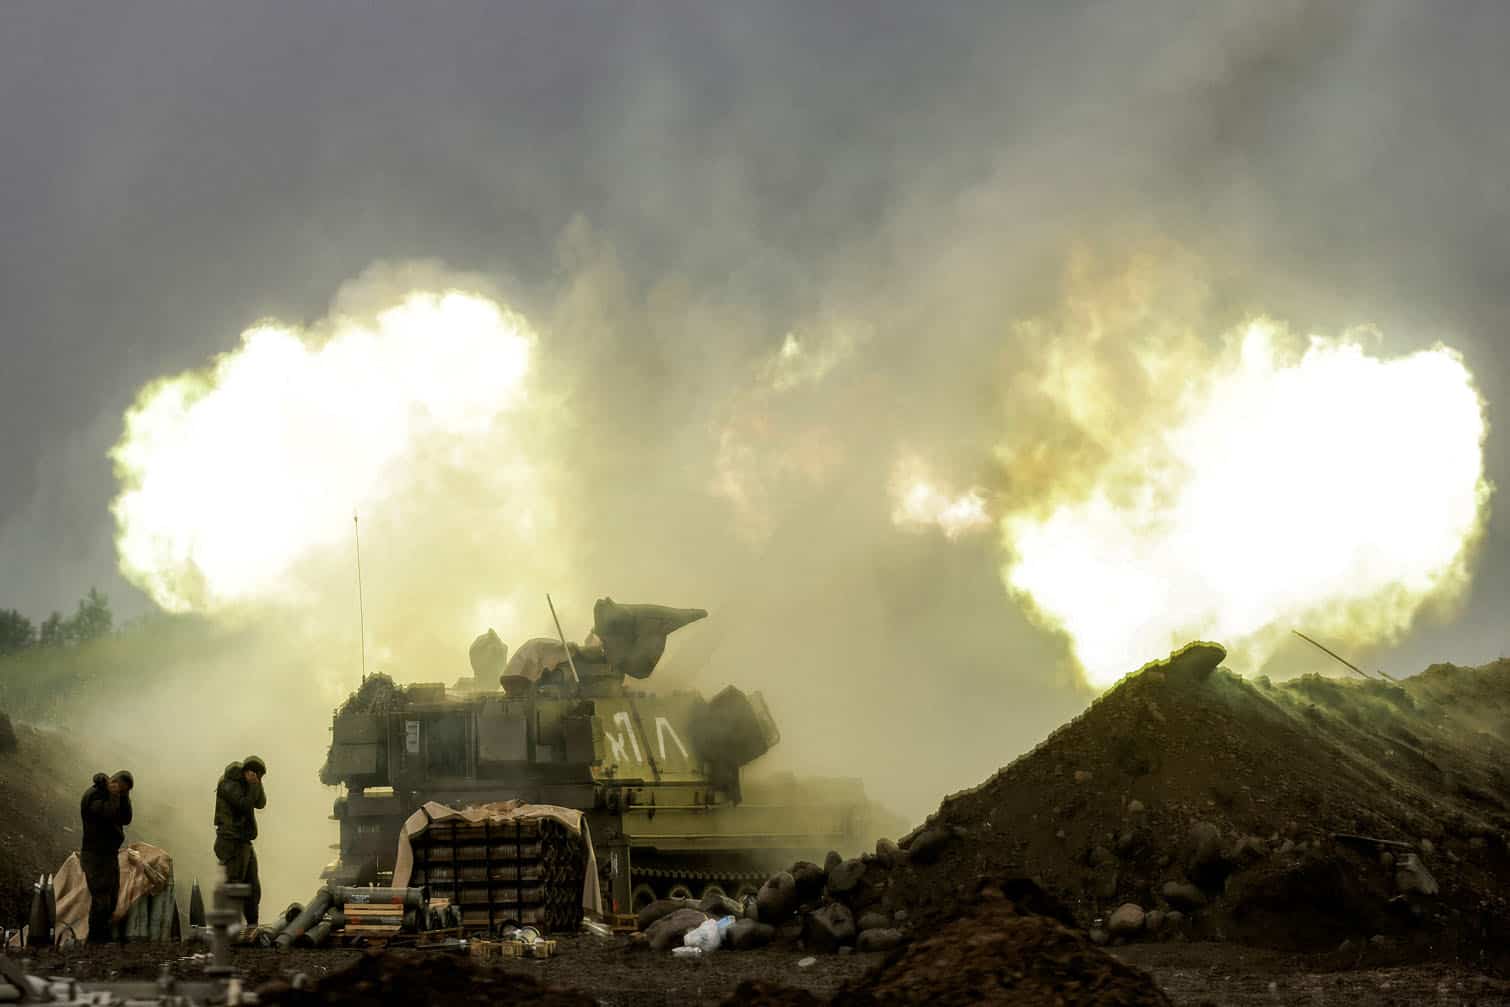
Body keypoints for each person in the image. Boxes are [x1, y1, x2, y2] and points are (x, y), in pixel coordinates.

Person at [79, 769, 133, 944]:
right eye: (122, 789)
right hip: (95, 854)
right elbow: (107, 814)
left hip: (109, 854)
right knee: (101, 899)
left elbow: (126, 818)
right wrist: (114, 796)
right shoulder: (94, 796)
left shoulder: (114, 796)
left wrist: (123, 797)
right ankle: (95, 942)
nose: (122, 793)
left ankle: (101, 939)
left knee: (111, 898)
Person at [214, 755, 266, 926]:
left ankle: (251, 926)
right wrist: (253, 785)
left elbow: (260, 803)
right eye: (256, 775)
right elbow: (244, 804)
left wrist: (257, 784)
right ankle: (230, 929)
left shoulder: (247, 785)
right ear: (247, 772)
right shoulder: (228, 785)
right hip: (231, 841)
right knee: (235, 887)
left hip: (243, 841)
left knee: (252, 888)